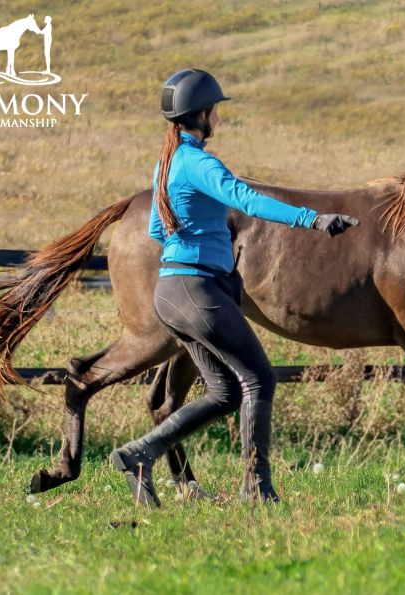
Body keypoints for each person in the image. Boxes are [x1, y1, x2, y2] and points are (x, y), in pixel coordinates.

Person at [110, 68, 359, 507]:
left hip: (174, 291)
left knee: (225, 391)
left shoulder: (167, 163)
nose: (217, 119)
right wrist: (313, 220)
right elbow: (246, 200)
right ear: (202, 115)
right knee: (259, 379)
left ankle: (139, 454)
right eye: (214, 111)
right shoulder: (198, 162)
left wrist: (192, 250)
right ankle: (257, 489)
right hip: (197, 292)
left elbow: (156, 226)